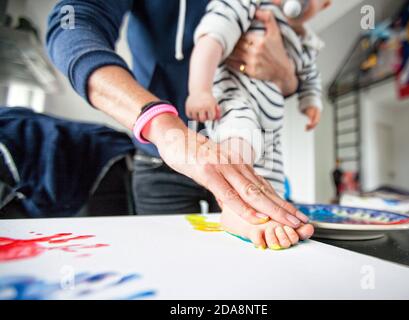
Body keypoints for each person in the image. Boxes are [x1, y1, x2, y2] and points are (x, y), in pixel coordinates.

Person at [46, 0, 313, 243]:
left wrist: (287, 77)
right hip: (163, 157)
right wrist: (161, 124)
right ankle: (239, 209)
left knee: (263, 162)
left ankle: (248, 210)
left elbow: (296, 77)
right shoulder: (235, 6)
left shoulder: (287, 23)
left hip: (253, 134)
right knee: (172, 264)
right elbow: (71, 22)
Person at [185, 0, 330, 249]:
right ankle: (234, 210)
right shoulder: (248, 5)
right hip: (234, 98)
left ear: (325, 5)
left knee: (270, 172)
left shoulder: (306, 42)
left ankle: (270, 213)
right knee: (240, 140)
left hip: (271, 118)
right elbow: (212, 38)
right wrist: (199, 89)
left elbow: (310, 77)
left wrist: (312, 102)